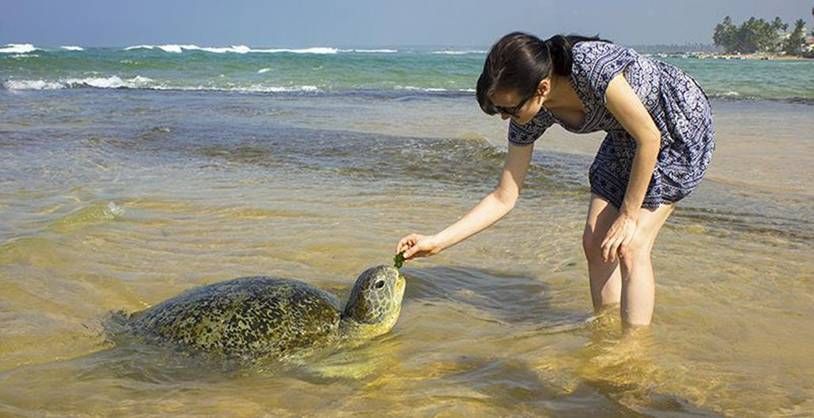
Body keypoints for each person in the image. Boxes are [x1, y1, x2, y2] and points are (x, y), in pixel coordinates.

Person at [395, 32, 714, 328]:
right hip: (626, 135)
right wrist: (437, 242)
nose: (506, 117)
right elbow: (504, 197)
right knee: (596, 244)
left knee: (630, 246)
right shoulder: (529, 114)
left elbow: (649, 137)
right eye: (498, 110)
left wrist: (629, 215)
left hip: (677, 128)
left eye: (508, 108)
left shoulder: (591, 67)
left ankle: (631, 354)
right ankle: (606, 330)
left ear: (542, 88)